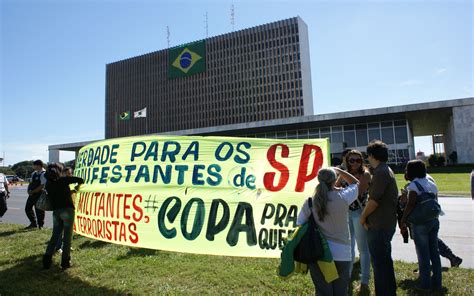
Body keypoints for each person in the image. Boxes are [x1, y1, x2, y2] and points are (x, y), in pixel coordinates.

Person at [297, 167, 359, 295]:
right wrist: (339, 170)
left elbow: (300, 224)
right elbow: (356, 183)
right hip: (343, 252)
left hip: (319, 252)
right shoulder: (343, 196)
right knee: (341, 291)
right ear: (335, 180)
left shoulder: (310, 202)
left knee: (323, 291)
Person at [360, 140, 398, 296]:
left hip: (379, 225)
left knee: (380, 264)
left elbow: (374, 201)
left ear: (372, 155)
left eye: (368, 156)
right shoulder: (385, 170)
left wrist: (363, 218)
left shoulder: (381, 172)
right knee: (385, 262)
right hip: (386, 223)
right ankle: (389, 291)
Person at [400, 160, 442, 292]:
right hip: (434, 220)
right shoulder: (430, 182)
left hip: (420, 223)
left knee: (423, 255)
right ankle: (437, 282)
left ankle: (425, 284)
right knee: (434, 252)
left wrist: (403, 219)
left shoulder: (414, 186)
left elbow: (410, 204)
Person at [336, 150, 371, 294]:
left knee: (363, 249)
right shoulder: (343, 174)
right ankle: (347, 276)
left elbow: (359, 190)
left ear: (361, 161)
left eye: (358, 160)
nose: (355, 163)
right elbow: (336, 188)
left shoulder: (366, 174)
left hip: (359, 213)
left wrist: (342, 173)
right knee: (348, 248)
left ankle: (365, 281)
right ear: (347, 161)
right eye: (352, 161)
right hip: (346, 213)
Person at [42, 163, 84, 270]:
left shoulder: (48, 184)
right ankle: (65, 262)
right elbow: (81, 179)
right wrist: (76, 187)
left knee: (55, 236)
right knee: (67, 238)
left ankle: (46, 260)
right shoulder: (64, 180)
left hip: (56, 212)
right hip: (68, 210)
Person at [25, 160, 46, 229]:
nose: (33, 166)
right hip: (32, 194)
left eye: (34, 165)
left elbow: (42, 185)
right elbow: (31, 183)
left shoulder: (44, 173)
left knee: (39, 210)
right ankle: (33, 223)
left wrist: (33, 191)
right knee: (27, 208)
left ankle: (41, 225)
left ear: (38, 165)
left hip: (39, 194)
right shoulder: (34, 173)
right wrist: (28, 190)